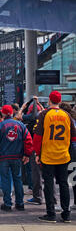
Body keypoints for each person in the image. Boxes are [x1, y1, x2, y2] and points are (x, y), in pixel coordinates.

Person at [33, 91, 76, 223]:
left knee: (49, 184)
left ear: (50, 100)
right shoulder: (67, 115)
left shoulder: (44, 114)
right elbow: (73, 137)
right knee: (63, 184)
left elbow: (37, 137)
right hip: (63, 155)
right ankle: (66, 213)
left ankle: (51, 213)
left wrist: (37, 153)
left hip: (48, 155)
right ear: (60, 100)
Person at [0, 105, 33, 212]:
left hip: (3, 157)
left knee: (5, 180)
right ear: (12, 113)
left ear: (2, 113)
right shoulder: (21, 125)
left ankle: (7, 203)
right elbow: (28, 141)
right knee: (18, 179)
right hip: (17, 157)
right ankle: (20, 203)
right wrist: (27, 154)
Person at [59, 102, 76, 210]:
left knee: (70, 178)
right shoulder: (73, 120)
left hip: (70, 151)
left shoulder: (67, 120)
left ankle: (70, 204)